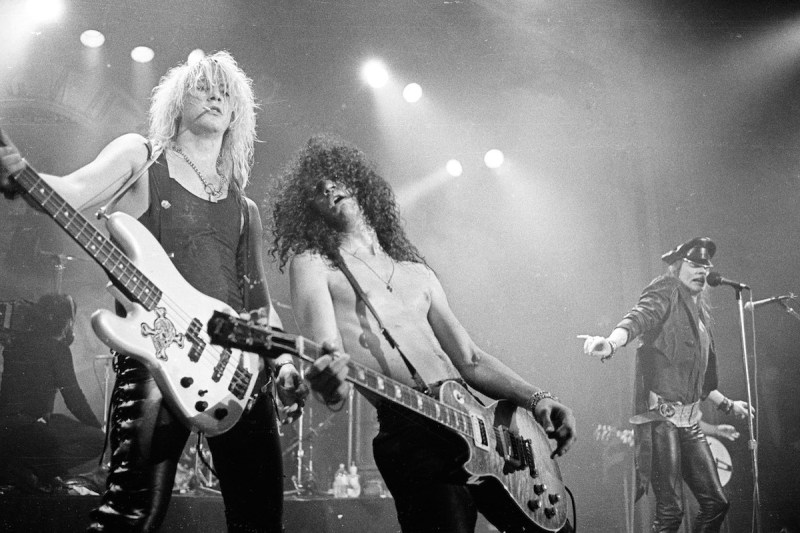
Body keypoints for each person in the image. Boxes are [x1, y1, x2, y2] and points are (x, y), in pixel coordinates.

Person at [0, 51, 307, 532]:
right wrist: (22, 175)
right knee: (132, 517)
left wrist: (285, 363)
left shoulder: (244, 208)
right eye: (203, 86)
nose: (215, 96)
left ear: (237, 116)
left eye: (225, 93)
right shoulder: (141, 158)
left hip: (237, 371)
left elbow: (258, 304)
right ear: (176, 99)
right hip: (156, 355)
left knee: (260, 521)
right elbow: (73, 191)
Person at [270, 134, 577, 533]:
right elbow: (325, 351)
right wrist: (331, 386)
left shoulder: (418, 273)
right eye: (316, 189)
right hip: (411, 430)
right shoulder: (314, 263)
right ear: (308, 208)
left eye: (334, 179)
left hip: (477, 425)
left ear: (359, 184)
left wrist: (538, 398)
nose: (328, 188)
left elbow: (470, 359)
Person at [579, 237, 752, 533]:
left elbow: (702, 382)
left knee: (716, 503)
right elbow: (639, 318)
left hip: (690, 423)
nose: (702, 271)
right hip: (661, 421)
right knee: (671, 512)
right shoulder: (666, 290)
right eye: (694, 265)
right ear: (678, 267)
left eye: (705, 266)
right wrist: (610, 343)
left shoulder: (700, 316)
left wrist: (728, 405)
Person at [0, 293, 104, 493]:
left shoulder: (17, 344)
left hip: (7, 428)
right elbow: (74, 400)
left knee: (58, 425)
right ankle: (33, 469)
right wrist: (99, 427)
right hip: (31, 428)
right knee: (96, 440)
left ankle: (26, 469)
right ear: (65, 321)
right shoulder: (57, 349)